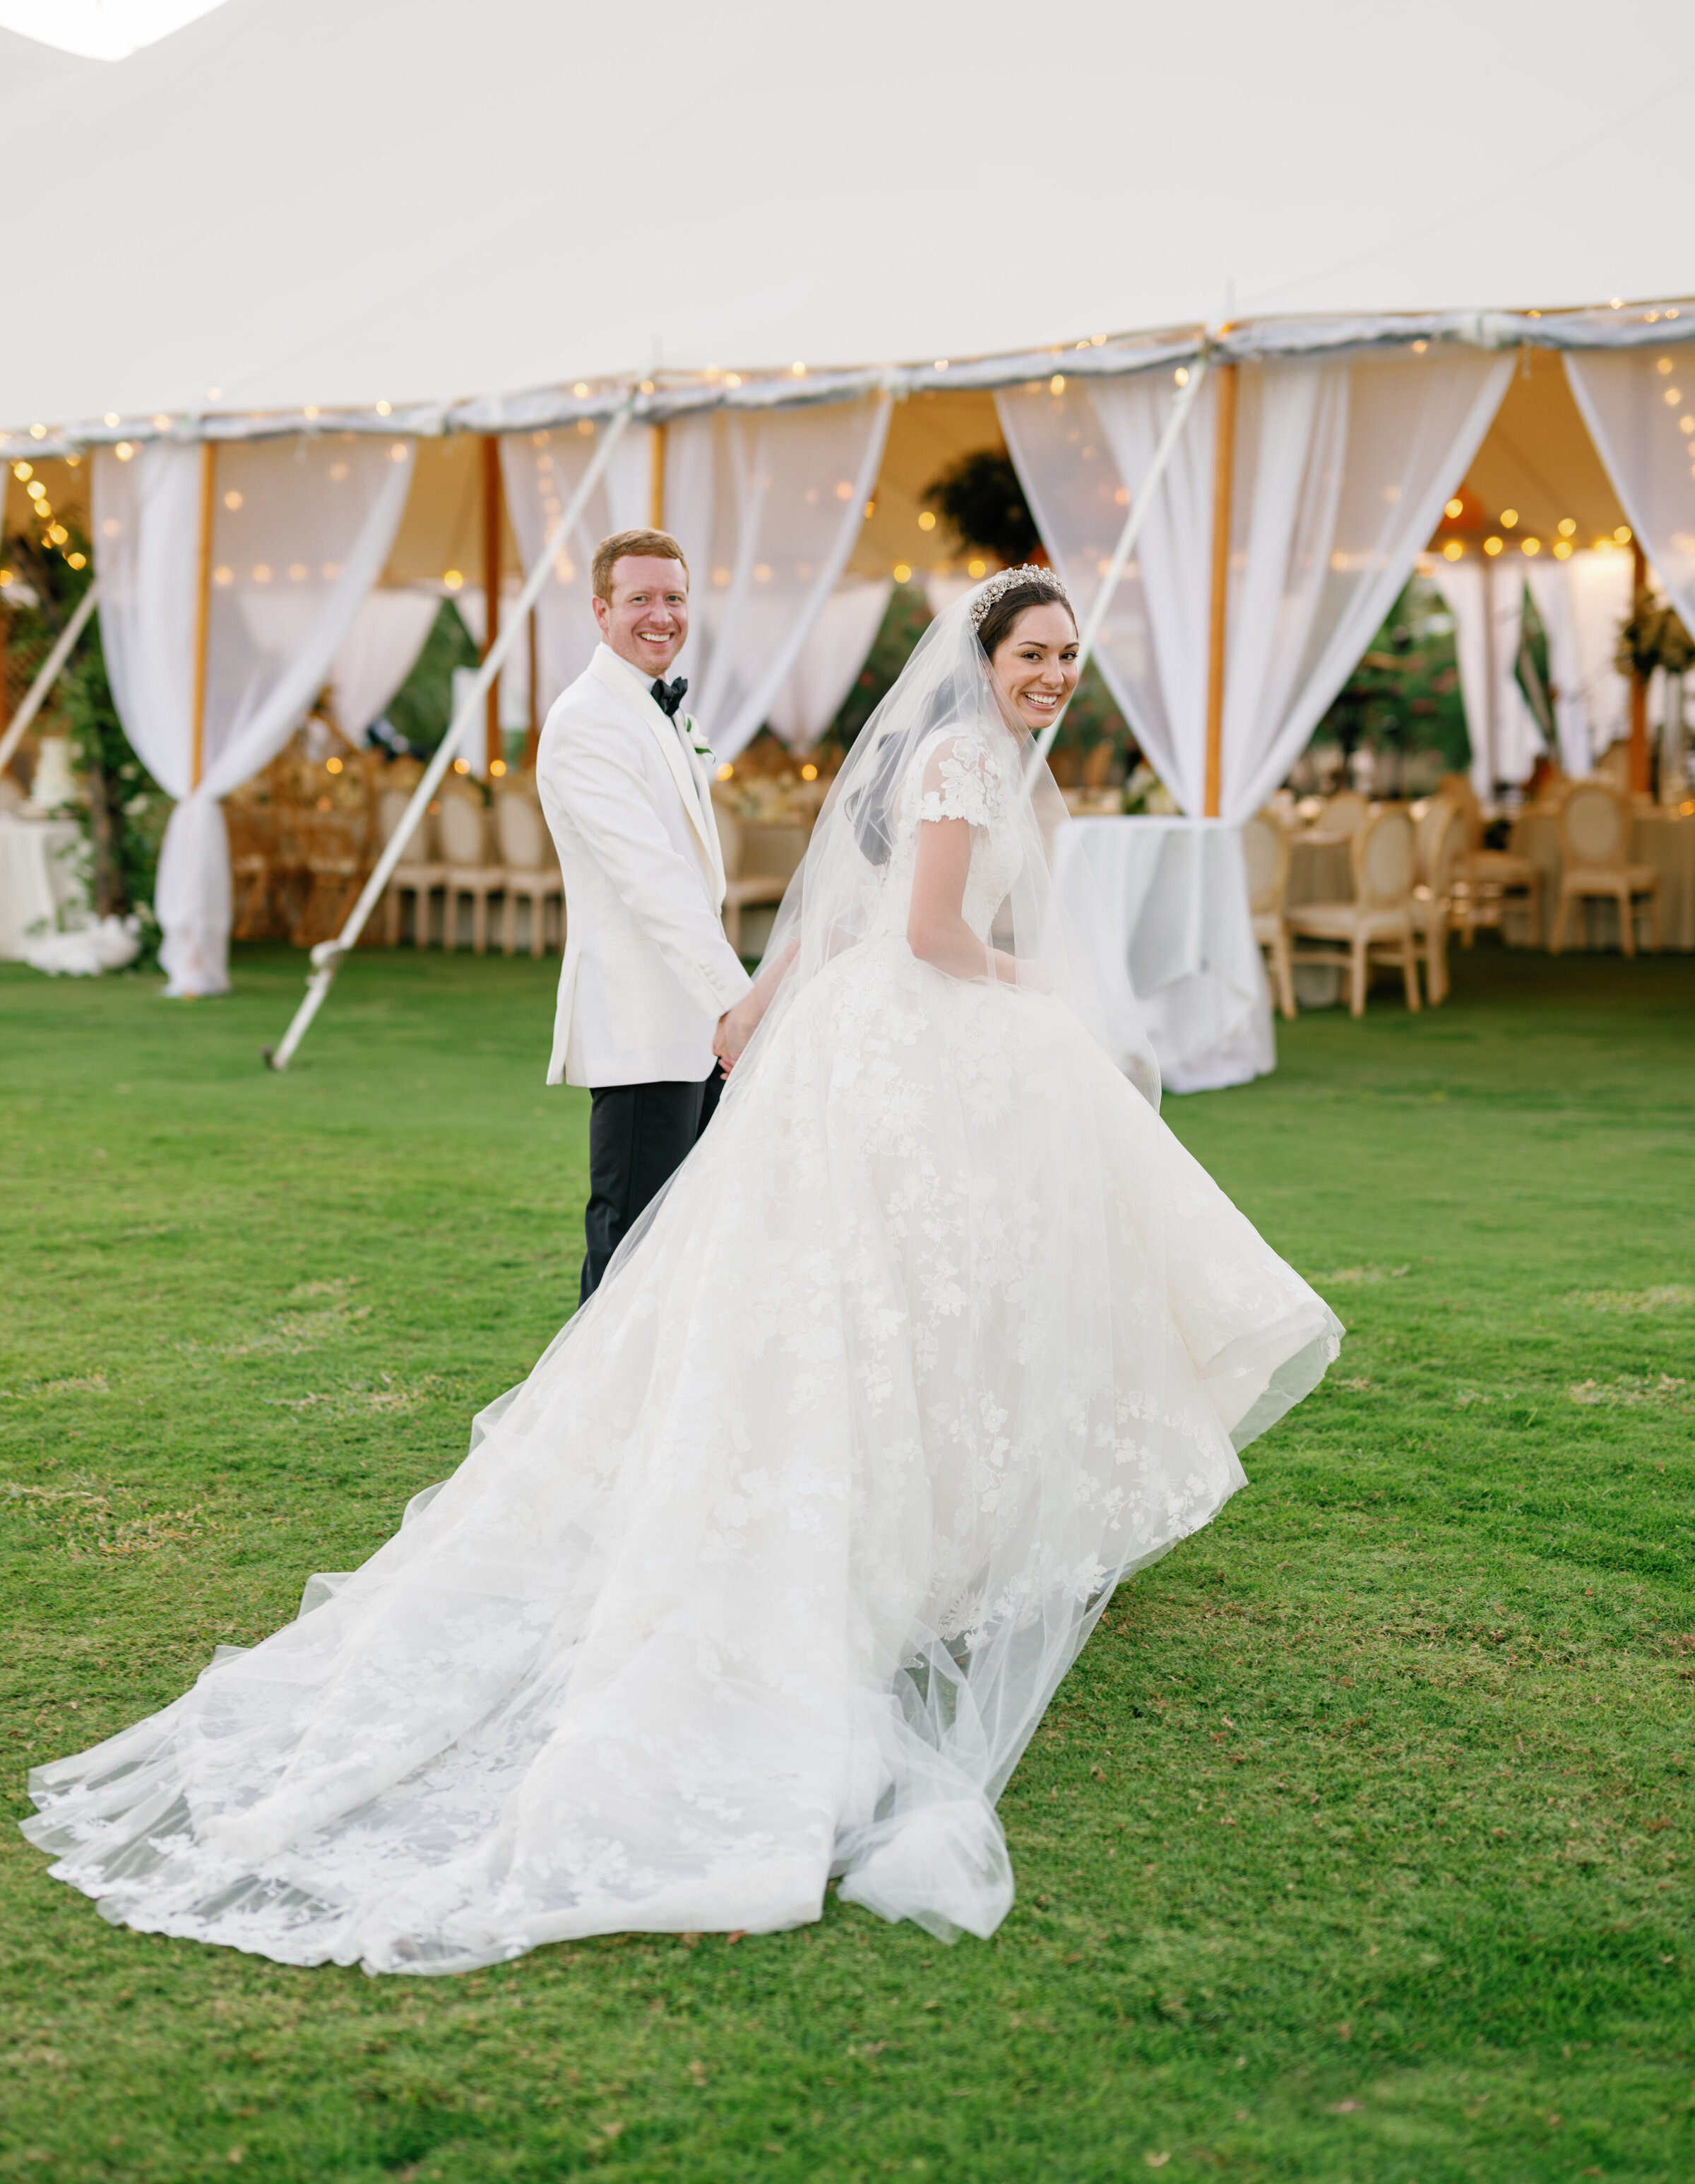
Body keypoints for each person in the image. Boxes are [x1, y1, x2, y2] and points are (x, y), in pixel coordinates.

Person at [23, 565, 1341, 1970]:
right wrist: (1050, 993)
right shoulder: (963, 753)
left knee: (910, 1296)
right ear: (986, 657)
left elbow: (851, 905)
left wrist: (765, 997)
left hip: (877, 1032)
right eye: (1035, 652)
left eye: (1070, 656)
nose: (1055, 673)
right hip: (909, 1035)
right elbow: (936, 935)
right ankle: (922, 1537)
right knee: (894, 1295)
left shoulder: (980, 757)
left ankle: (953, 1531)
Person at [533, 526, 752, 1302]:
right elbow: (652, 880)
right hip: (643, 1023)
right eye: (639, 600)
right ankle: (584, 1422)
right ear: (600, 610)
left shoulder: (654, 712)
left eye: (674, 599)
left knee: (685, 1248)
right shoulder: (587, 719)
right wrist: (739, 1001)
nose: (660, 616)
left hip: (690, 1022)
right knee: (630, 1248)